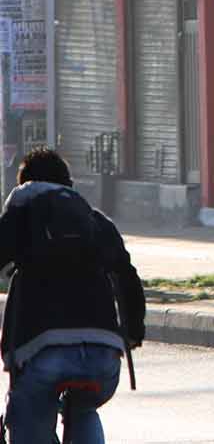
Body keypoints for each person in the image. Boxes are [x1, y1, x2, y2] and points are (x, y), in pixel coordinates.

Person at [0, 147, 145, 444]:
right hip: (103, 355)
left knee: (30, 413)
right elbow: (128, 275)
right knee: (84, 406)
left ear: (23, 185)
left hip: (42, 352)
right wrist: (132, 332)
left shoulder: (22, 216)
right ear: (69, 184)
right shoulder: (95, 221)